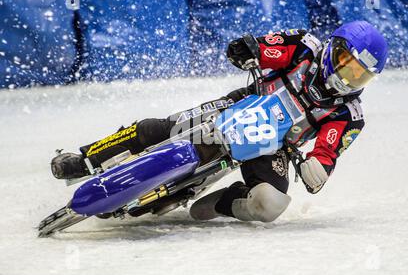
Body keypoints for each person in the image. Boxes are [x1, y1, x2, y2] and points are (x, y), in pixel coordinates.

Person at [51, 20, 388, 223]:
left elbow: (327, 152)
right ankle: (86, 158)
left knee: (270, 205)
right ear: (334, 48)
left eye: (360, 75)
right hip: (241, 105)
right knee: (163, 128)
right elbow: (265, 48)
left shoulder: (350, 115)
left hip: (276, 147)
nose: (348, 77)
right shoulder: (305, 46)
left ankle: (224, 202)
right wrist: (247, 49)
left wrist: (317, 169)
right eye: (347, 63)